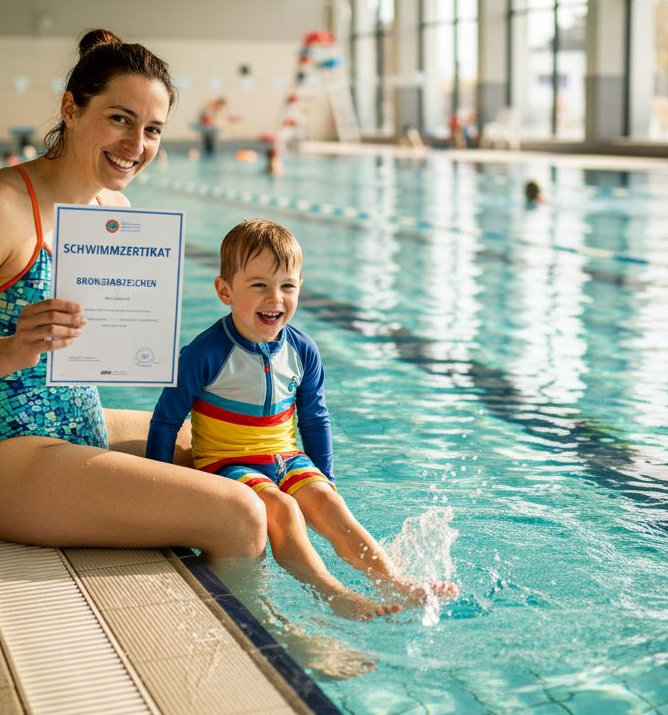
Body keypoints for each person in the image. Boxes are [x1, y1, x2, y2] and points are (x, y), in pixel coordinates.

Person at [0, 29, 268, 561]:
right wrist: (14, 350)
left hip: (82, 424)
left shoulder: (112, 212)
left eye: (152, 130)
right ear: (71, 108)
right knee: (239, 514)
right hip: (11, 457)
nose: (136, 145)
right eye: (120, 119)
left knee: (241, 455)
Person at [147, 218, 458, 620]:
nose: (275, 298)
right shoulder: (204, 354)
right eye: (259, 285)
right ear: (225, 291)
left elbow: (315, 418)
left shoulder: (302, 351)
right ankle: (334, 594)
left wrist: (324, 476)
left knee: (329, 505)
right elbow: (165, 421)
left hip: (287, 459)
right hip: (229, 464)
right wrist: (161, 492)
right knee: (284, 510)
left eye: (287, 286)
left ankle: (395, 582)